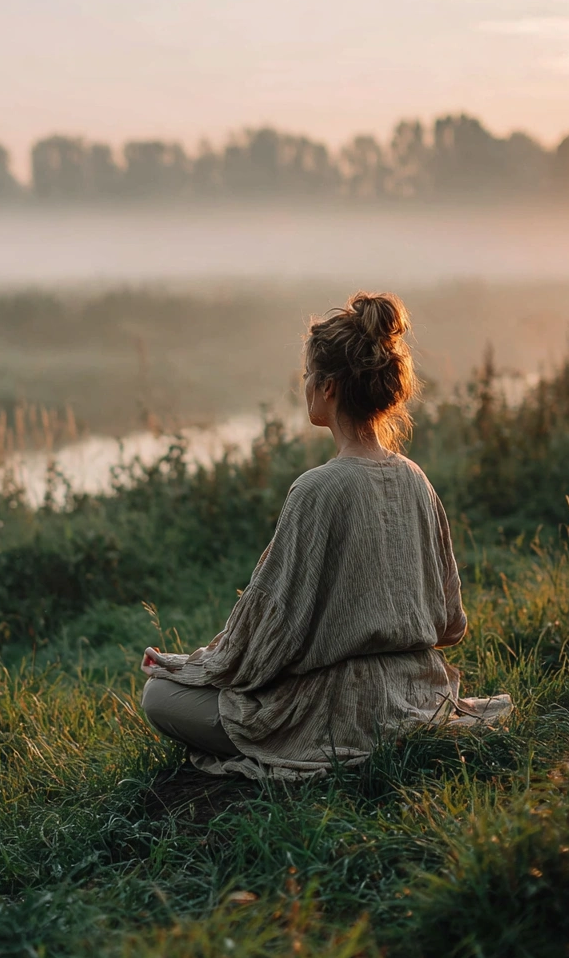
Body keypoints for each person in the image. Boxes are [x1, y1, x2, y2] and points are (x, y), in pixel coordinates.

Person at [140, 291, 511, 779]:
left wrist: (190, 666)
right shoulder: (416, 479)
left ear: (329, 387)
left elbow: (270, 639)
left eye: (307, 376)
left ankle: (311, 745)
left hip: (337, 708)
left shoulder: (317, 489)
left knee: (159, 696)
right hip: (420, 694)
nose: (305, 386)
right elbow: (451, 626)